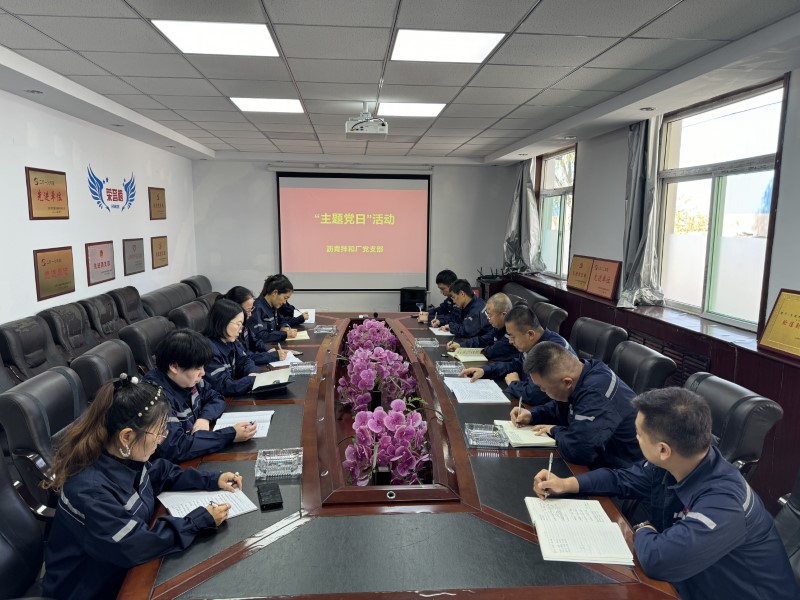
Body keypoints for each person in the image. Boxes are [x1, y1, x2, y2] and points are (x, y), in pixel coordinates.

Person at [533, 388, 800, 600]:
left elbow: (658, 560)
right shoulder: (678, 463)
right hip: (690, 583)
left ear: (663, 449)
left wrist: (642, 528)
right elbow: (622, 479)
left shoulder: (723, 501)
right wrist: (567, 484)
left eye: (638, 434)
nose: (636, 438)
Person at [42, 375, 242, 600]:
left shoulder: (121, 456)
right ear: (127, 436)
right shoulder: (90, 491)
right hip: (92, 589)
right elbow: (135, 545)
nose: (162, 439)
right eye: (158, 432)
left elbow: (160, 473)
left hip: (123, 571)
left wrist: (212, 479)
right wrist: (198, 521)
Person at [511, 341, 642, 469]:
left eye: (543, 388)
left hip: (623, 471)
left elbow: (578, 451)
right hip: (601, 461)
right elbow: (563, 406)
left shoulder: (596, 394)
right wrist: (533, 414)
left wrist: (554, 430)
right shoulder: (582, 371)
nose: (541, 391)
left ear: (567, 382)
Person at [143, 329, 256, 462]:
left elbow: (216, 397)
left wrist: (204, 418)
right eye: (198, 368)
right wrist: (230, 435)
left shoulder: (189, 379)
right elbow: (176, 446)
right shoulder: (154, 396)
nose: (203, 373)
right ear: (174, 367)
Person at [461, 306, 574, 406]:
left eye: (512, 336)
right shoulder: (533, 343)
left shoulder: (551, 351)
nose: (510, 341)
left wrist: (513, 383)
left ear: (530, 334)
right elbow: (515, 364)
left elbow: (534, 395)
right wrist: (485, 370)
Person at [205, 299, 261, 396]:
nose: (240, 330)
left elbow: (245, 361)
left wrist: (253, 373)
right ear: (223, 322)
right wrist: (251, 380)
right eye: (238, 324)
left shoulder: (231, 340)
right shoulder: (208, 349)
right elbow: (224, 386)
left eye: (241, 325)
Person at [223, 285, 289, 365]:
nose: (250, 314)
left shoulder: (244, 324)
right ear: (235, 308)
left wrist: (268, 349)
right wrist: (272, 356)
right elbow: (245, 357)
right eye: (248, 310)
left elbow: (255, 340)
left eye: (252, 309)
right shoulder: (230, 332)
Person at [446, 292, 517, 361]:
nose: (488, 318)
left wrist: (482, 351)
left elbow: (495, 351)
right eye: (487, 314)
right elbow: (483, 340)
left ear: (503, 315)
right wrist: (461, 345)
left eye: (490, 315)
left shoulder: (513, 331)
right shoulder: (498, 327)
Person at [250, 274, 298, 344]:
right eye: (285, 298)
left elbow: (281, 321)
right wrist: (285, 334)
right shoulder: (258, 308)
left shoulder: (273, 305)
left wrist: (283, 327)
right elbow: (260, 336)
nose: (285, 302)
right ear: (275, 293)